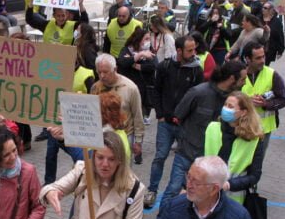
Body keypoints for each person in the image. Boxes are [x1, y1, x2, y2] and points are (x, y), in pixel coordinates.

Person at [161, 61, 247, 202]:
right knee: (173, 192)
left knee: (205, 199)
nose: (245, 82)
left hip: (211, 163)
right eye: (242, 79)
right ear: (232, 78)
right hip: (187, 155)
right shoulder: (199, 93)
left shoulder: (234, 101)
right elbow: (178, 115)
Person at [145, 36, 204, 208]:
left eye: (194, 49)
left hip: (184, 125)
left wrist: (189, 120)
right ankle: (152, 190)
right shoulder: (165, 66)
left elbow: (198, 98)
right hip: (165, 122)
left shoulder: (196, 71)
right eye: (190, 50)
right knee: (160, 156)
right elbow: (156, 90)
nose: (193, 54)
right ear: (179, 51)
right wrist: (161, 114)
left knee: (184, 160)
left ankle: (178, 193)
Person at [203, 92, 265, 204]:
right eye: (225, 105)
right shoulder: (212, 128)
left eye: (231, 106)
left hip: (233, 199)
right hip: (207, 193)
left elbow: (254, 175)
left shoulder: (253, 140)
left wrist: (229, 184)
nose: (226, 109)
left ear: (243, 112)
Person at [91, 54, 145, 165]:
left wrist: (138, 141)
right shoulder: (95, 88)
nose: (102, 76)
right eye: (99, 72)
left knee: (123, 171)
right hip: (102, 136)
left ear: (115, 69)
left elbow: (137, 115)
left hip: (125, 135)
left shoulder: (130, 88)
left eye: (105, 72)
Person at [240, 42, 285, 159]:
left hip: (263, 129)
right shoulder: (238, 74)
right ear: (248, 59)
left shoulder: (272, 75)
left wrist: (266, 104)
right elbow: (227, 95)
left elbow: (283, 99)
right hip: (240, 127)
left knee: (256, 162)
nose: (262, 60)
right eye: (258, 58)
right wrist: (246, 100)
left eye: (263, 56)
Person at [117, 26, 156, 127]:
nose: (149, 41)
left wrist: (133, 64)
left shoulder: (150, 50)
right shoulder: (126, 50)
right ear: (138, 40)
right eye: (146, 39)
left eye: (149, 39)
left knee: (138, 122)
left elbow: (153, 66)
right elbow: (122, 62)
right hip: (126, 92)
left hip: (143, 94)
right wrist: (139, 56)